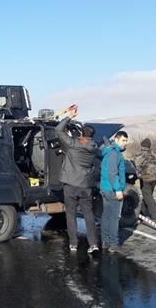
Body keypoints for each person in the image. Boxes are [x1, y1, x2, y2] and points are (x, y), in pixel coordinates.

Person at [55, 104, 100, 254]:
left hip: (71, 184)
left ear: (81, 133)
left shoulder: (73, 144)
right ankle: (93, 244)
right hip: (86, 185)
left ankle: (73, 243)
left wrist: (69, 116)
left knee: (71, 214)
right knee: (88, 215)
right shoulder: (94, 148)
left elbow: (58, 130)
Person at [100, 131, 129, 253]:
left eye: (126, 141)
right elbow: (113, 173)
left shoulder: (109, 151)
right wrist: (118, 189)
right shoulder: (114, 154)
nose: (125, 143)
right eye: (123, 140)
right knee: (113, 218)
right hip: (112, 190)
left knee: (106, 216)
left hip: (105, 188)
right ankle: (114, 243)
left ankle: (105, 241)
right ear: (116, 139)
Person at [133, 138, 156, 223]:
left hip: (145, 178)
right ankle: (141, 213)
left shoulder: (140, 154)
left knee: (148, 196)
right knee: (147, 195)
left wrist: (139, 175)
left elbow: (135, 165)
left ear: (142, 146)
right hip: (155, 178)